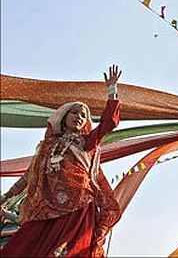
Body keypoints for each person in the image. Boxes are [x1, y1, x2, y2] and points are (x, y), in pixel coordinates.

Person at [0, 65, 123, 257]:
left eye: (83, 115)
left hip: (78, 206)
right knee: (20, 247)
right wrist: (6, 196)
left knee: (66, 252)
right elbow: (28, 176)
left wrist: (112, 91)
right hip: (45, 208)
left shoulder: (86, 142)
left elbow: (108, 124)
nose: (79, 117)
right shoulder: (48, 146)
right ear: (64, 116)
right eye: (75, 113)